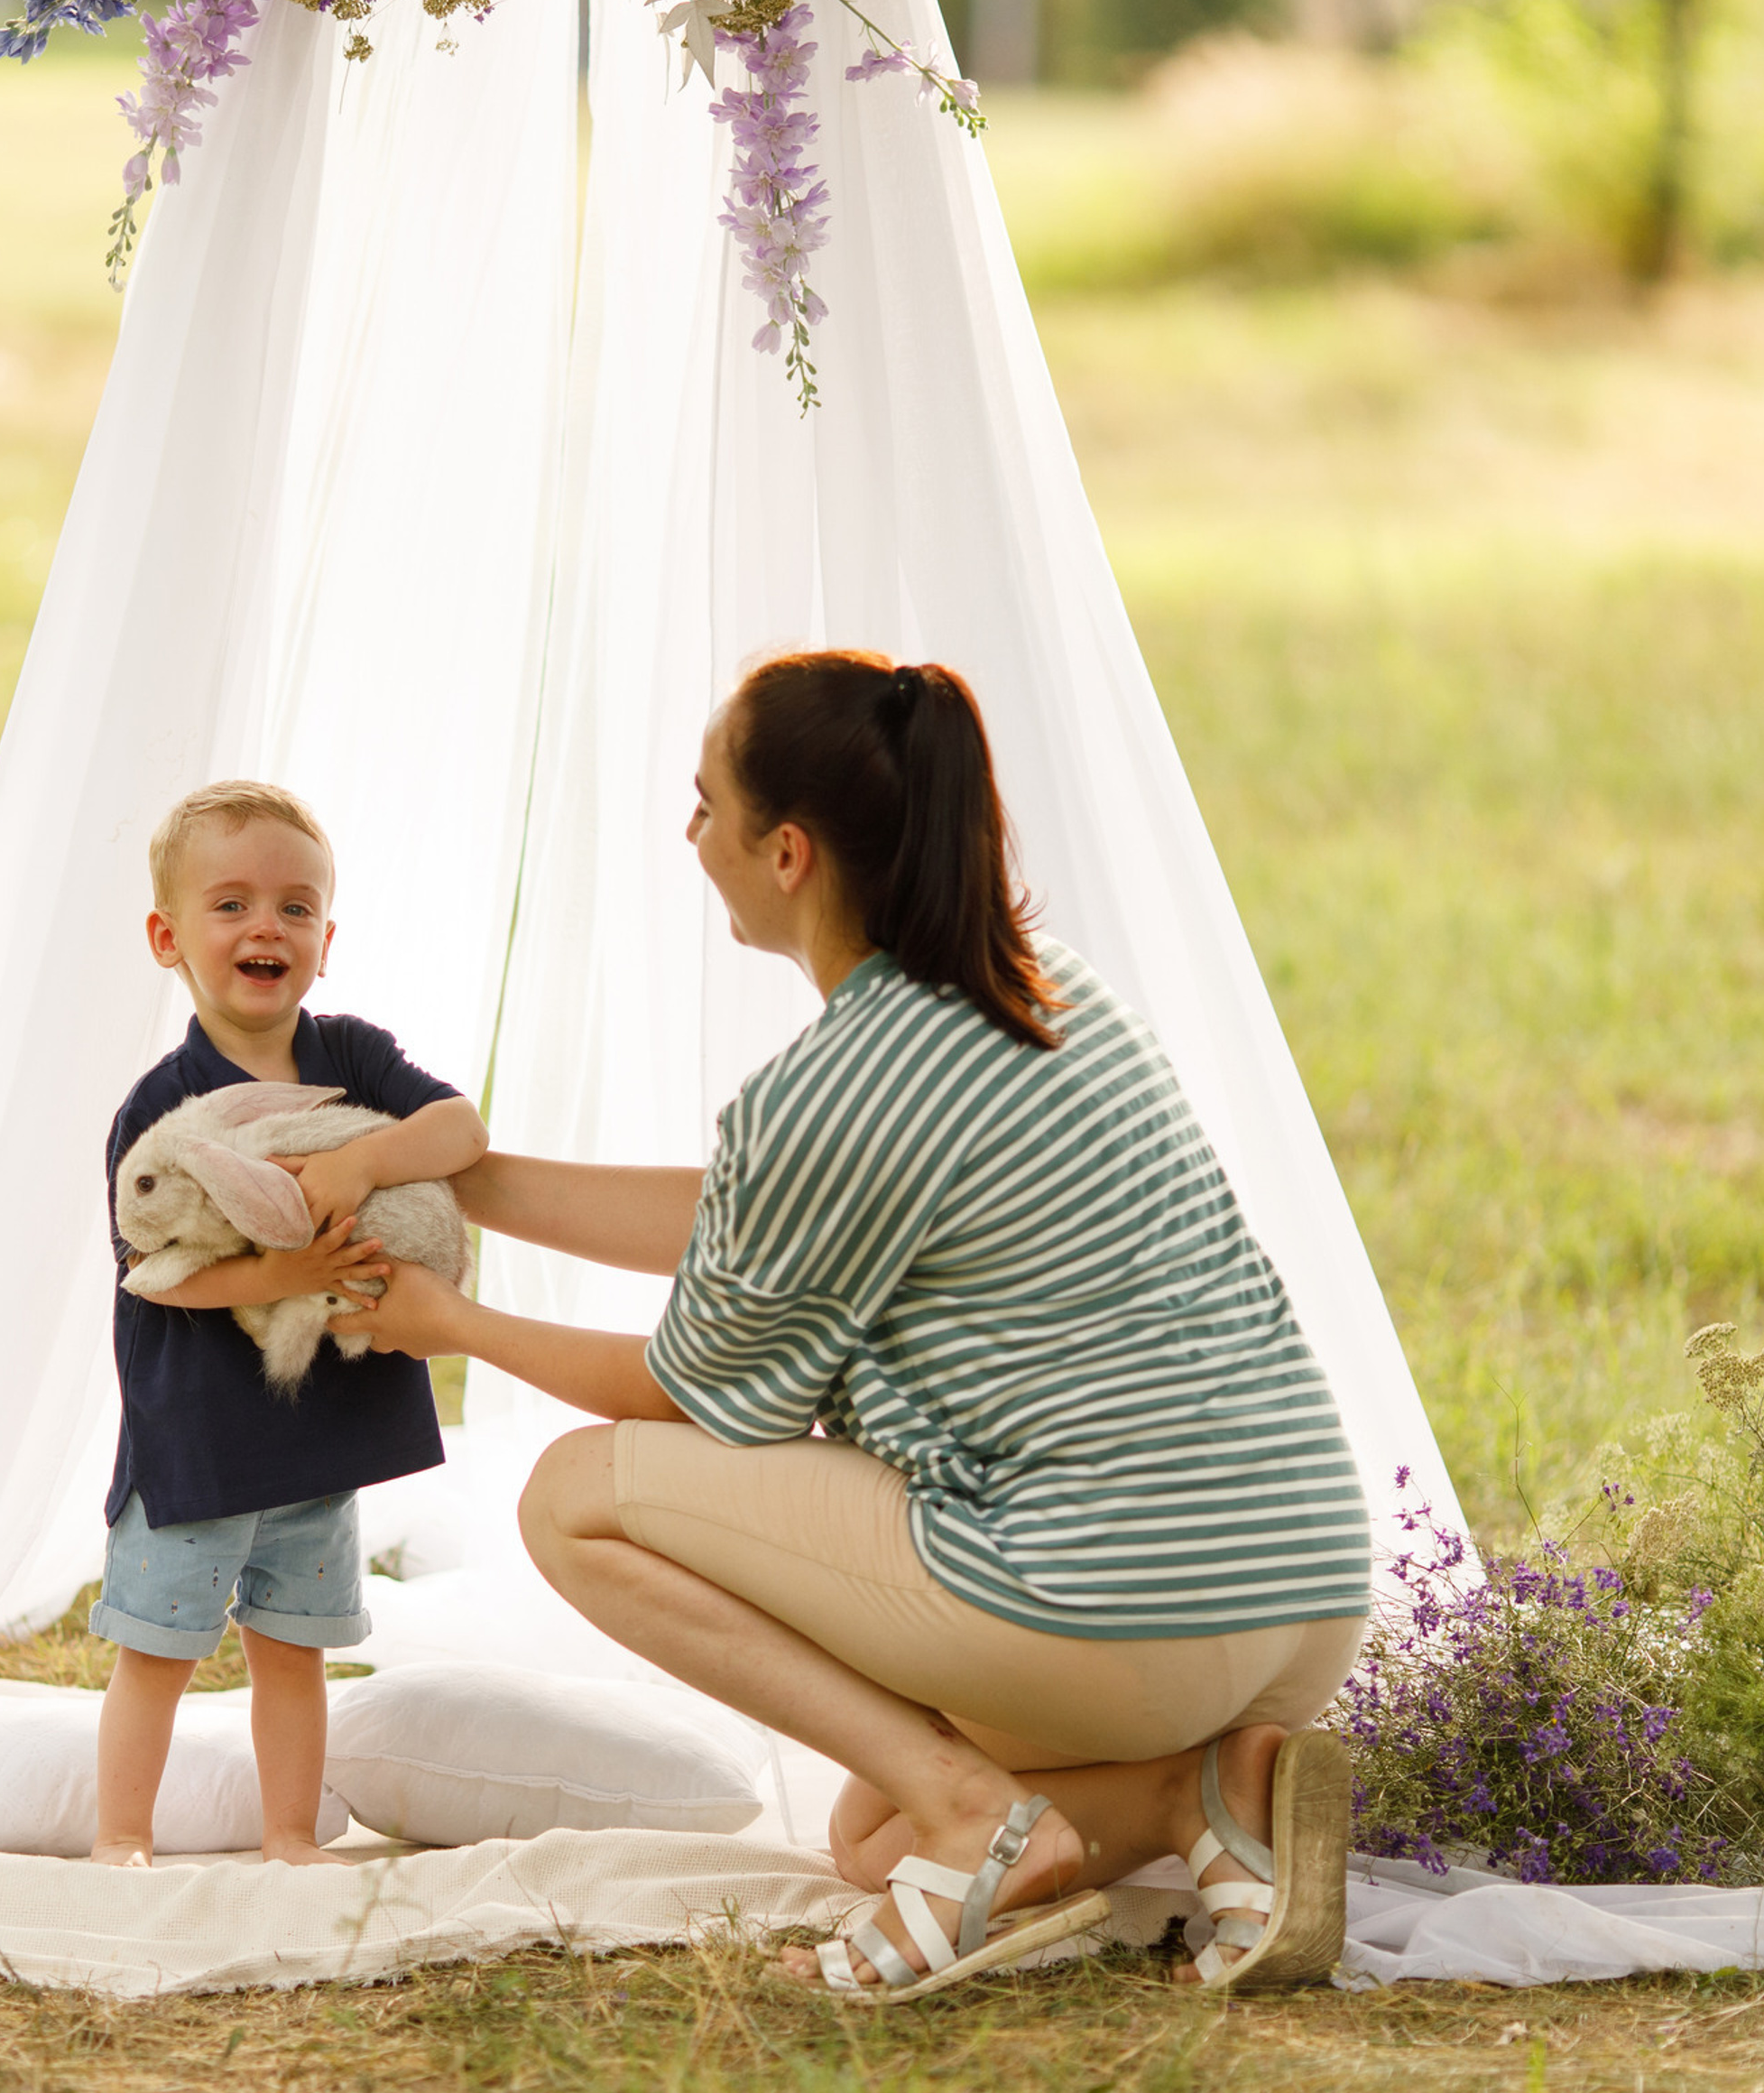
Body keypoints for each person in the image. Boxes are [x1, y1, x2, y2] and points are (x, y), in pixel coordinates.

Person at [338, 651, 1373, 1997]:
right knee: (865, 1832)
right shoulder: (1044, 987)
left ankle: (980, 1822)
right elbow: (760, 1220)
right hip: (1295, 1591)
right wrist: (462, 1179)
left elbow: (683, 1397)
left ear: (786, 852)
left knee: (574, 1494)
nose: (687, 830)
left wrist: (455, 1323)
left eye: (704, 802)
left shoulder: (829, 1098)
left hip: (1122, 1610)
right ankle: (1202, 1794)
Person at [90, 781, 488, 1868]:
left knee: (293, 1649)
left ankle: (287, 1835)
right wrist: (290, 1265)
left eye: (295, 907)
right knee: (157, 1646)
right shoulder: (164, 1106)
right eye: (231, 905)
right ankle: (120, 1834)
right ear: (169, 937)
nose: (266, 925)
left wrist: (364, 1159)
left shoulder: (351, 1058)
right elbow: (156, 1274)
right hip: (201, 1435)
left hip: (314, 1441)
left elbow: (459, 1127)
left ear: (325, 940)